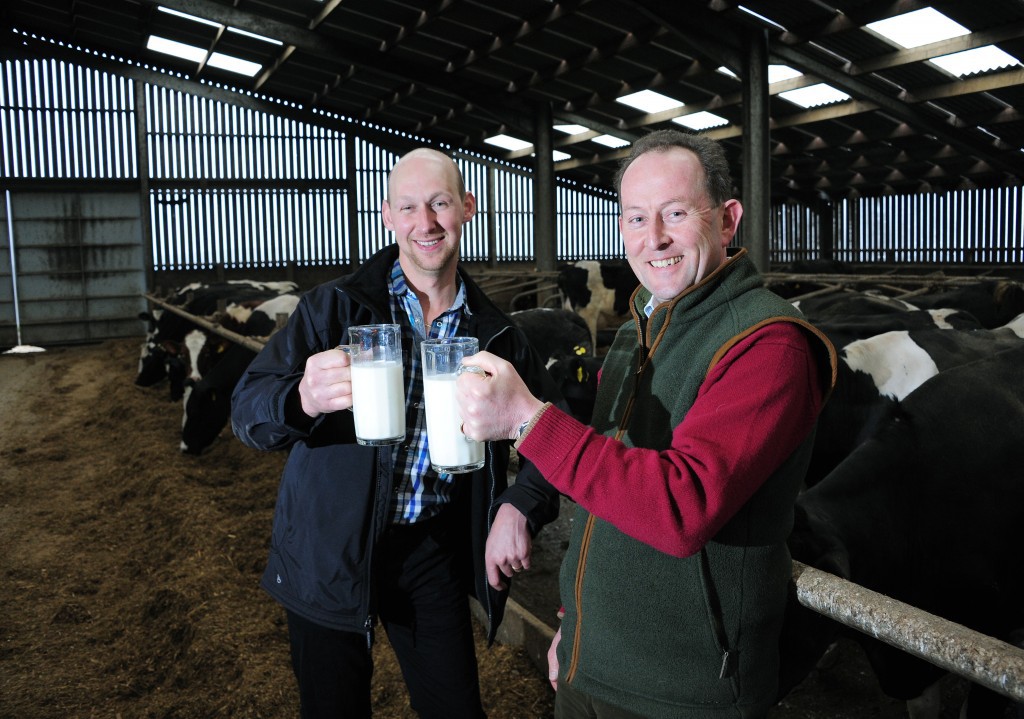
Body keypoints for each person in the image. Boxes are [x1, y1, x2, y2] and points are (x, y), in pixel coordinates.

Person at [457, 129, 838, 719]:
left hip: (682, 692)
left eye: (676, 213)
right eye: (635, 218)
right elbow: (608, 495)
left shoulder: (769, 344)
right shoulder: (639, 325)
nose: (653, 238)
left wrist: (529, 422)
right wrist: (577, 627)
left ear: (728, 220)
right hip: (593, 664)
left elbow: (680, 508)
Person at [230, 147, 562, 719]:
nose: (425, 223)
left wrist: (520, 506)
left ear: (468, 208)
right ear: (388, 215)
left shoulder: (498, 334)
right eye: (408, 206)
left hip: (429, 551)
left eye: (439, 204)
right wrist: (300, 399)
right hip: (328, 550)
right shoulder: (331, 310)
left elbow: (548, 435)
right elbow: (246, 412)